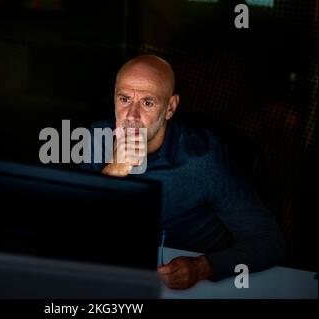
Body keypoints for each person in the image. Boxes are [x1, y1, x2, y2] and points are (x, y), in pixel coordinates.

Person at [79, 54, 285, 289]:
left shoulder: (204, 158)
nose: (131, 116)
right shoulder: (97, 138)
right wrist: (113, 172)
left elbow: (270, 243)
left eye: (147, 103)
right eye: (124, 99)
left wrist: (202, 267)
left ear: (170, 107)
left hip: (189, 288)